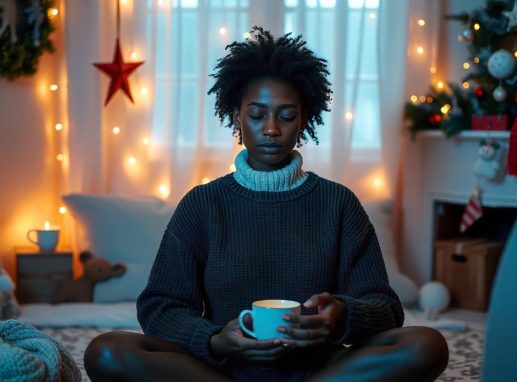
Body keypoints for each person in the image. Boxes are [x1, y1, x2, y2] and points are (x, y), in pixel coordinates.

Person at [84, 27, 448, 382]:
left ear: (304, 120)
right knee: (106, 351)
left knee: (426, 345)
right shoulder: (203, 204)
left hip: (321, 371)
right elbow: (160, 306)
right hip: (221, 371)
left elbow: (386, 307)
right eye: (257, 115)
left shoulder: (338, 203)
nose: (271, 128)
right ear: (237, 118)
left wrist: (341, 314)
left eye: (286, 115)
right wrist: (214, 339)